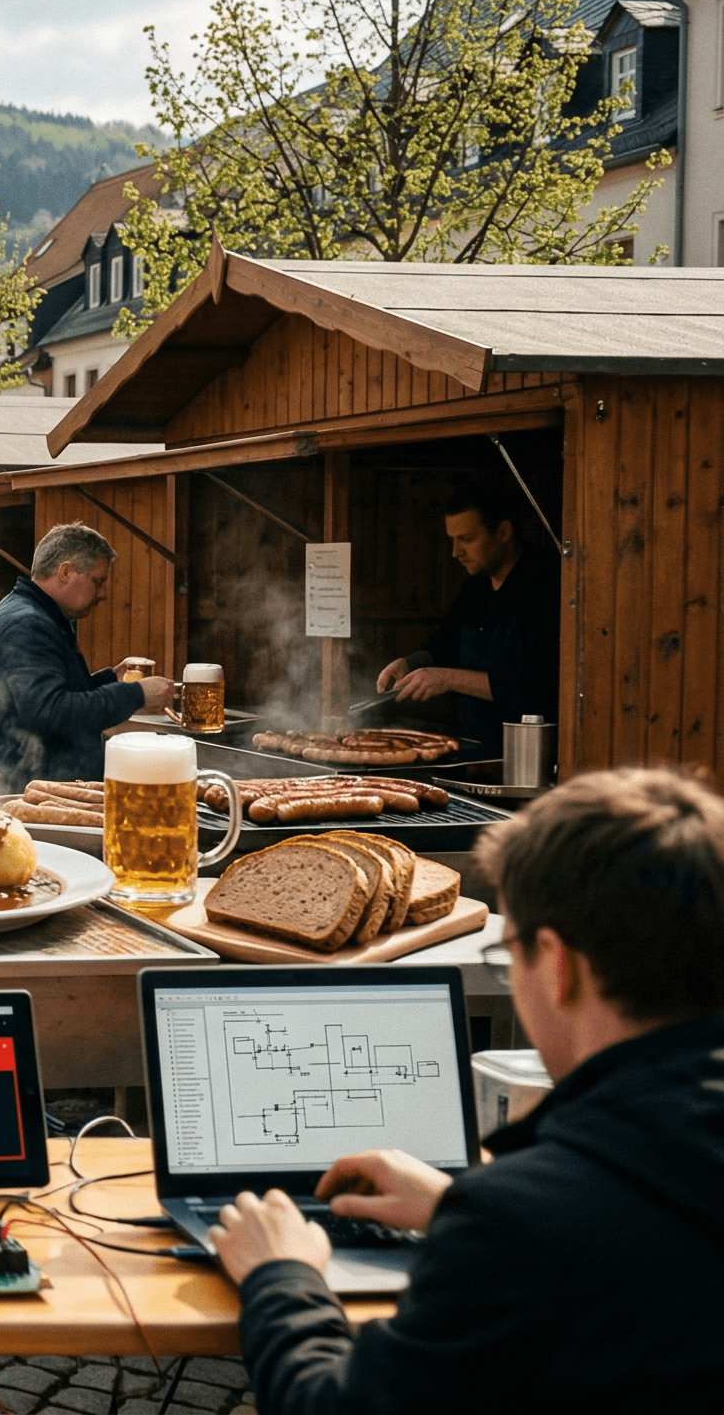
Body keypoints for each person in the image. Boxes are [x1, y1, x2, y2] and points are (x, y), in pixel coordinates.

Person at [209, 767, 724, 1412]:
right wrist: (456, 1201)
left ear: (559, 967)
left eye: (511, 957)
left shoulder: (516, 1226)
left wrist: (279, 1274)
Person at [0, 524, 176, 790]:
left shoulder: (43, 615)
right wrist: (136, 695)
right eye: (97, 582)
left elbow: (56, 694)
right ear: (65, 572)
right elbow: (50, 712)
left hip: (38, 786)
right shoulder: (25, 624)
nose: (103, 594)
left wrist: (110, 679)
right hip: (19, 792)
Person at [376, 487, 561, 751]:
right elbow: (447, 643)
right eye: (452, 540)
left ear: (504, 532)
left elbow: (536, 685)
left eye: (466, 539)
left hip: (529, 756)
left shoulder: (547, 587)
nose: (455, 552)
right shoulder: (475, 588)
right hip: (473, 748)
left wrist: (447, 679)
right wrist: (410, 663)